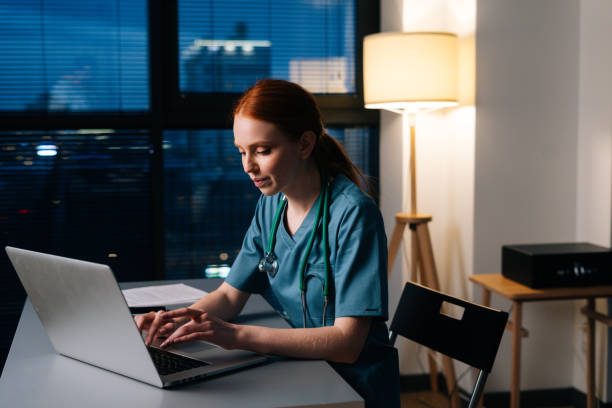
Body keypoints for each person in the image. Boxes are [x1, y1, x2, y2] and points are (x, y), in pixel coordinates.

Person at [136, 79, 400, 407]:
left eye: (262, 150)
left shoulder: (353, 214)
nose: (248, 166)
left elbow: (347, 343)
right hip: (299, 368)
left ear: (304, 144)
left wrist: (234, 336)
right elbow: (230, 295)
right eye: (242, 152)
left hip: (351, 385)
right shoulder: (272, 204)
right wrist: (174, 322)